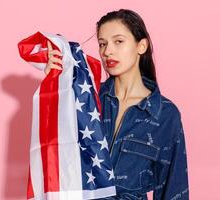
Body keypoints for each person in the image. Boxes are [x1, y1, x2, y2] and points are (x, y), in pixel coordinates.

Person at [44, 9, 189, 200]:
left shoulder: (164, 113)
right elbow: (56, 150)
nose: (107, 51)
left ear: (141, 46)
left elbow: (173, 187)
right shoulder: (88, 99)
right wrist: (55, 84)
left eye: (118, 41)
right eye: (102, 44)